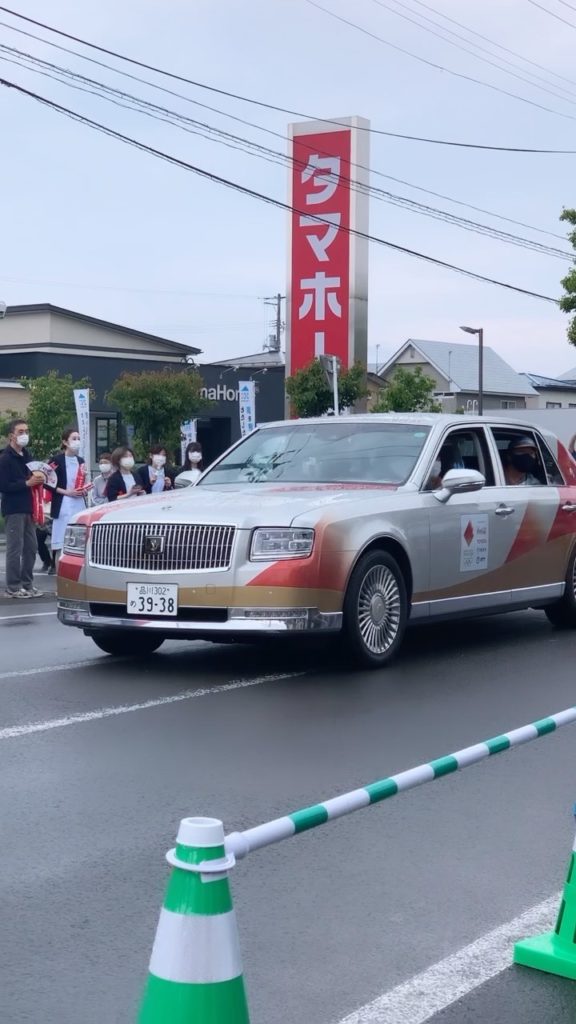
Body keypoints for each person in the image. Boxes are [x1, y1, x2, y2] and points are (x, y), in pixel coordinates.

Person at [0, 418, 45, 598]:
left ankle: (28, 583)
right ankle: (13, 586)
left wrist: (40, 477)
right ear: (12, 436)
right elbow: (3, 485)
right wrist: (26, 483)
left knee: (31, 547)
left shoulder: (27, 455)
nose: (24, 435)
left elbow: (34, 474)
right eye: (20, 432)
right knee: (15, 548)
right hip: (14, 508)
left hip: (29, 506)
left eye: (26, 431)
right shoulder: (5, 458)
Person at [48, 426, 91, 566]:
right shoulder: (56, 460)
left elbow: (82, 481)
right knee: (61, 541)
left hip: (79, 503)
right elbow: (47, 482)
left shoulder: (81, 461)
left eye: (78, 439)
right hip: (63, 504)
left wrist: (84, 489)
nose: (77, 441)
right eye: (74, 438)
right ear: (65, 442)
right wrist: (66, 492)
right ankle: (59, 573)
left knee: (80, 541)